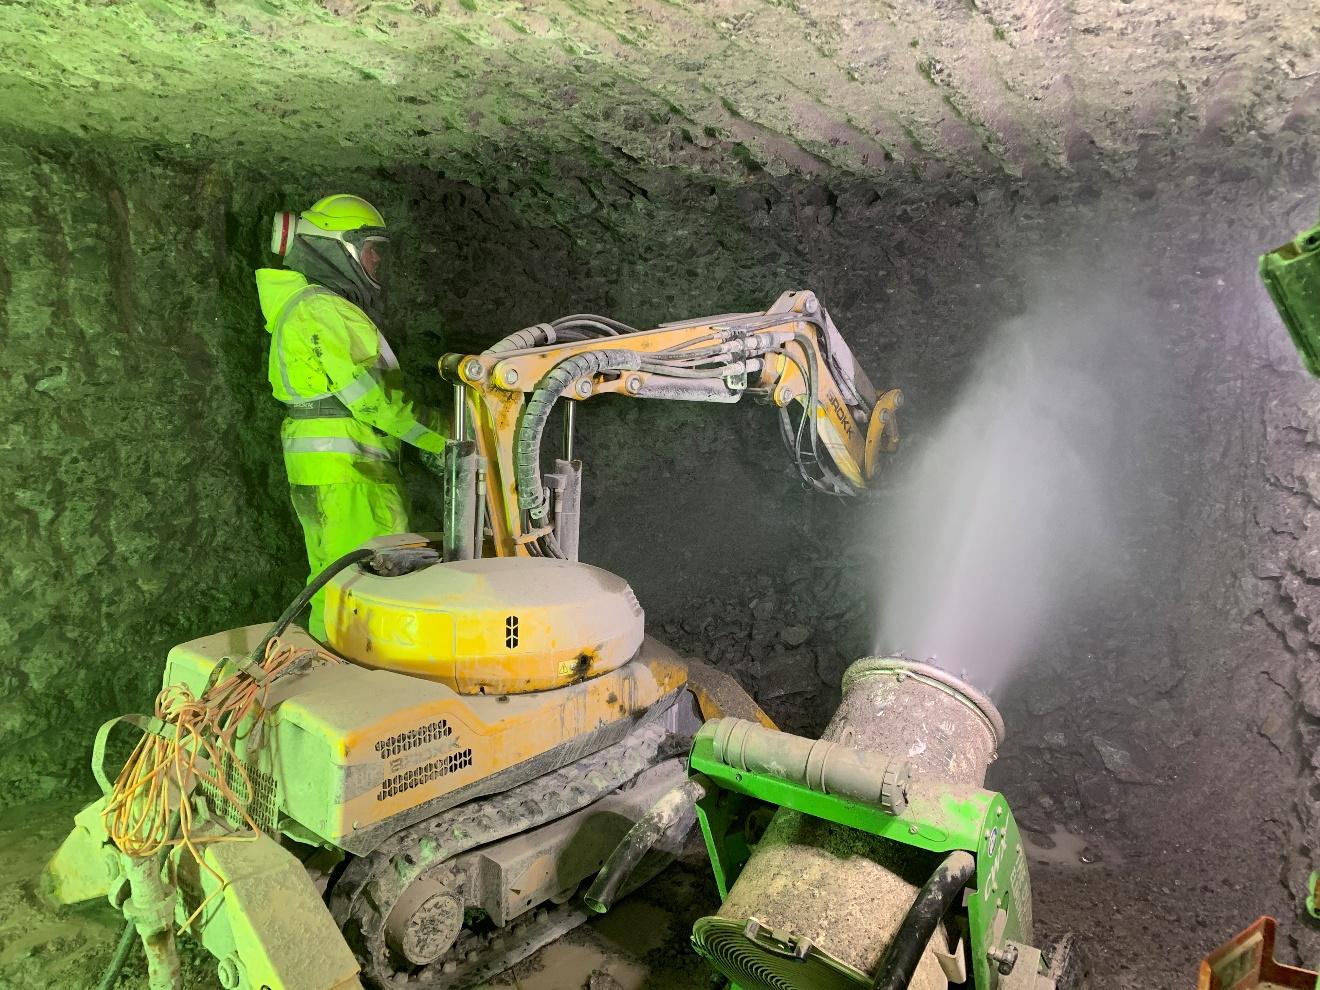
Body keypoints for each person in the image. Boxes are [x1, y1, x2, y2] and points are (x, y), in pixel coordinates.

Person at [255, 194, 447, 639]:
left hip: (331, 474)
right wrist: (446, 439)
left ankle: (329, 676)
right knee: (370, 588)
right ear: (336, 247)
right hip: (352, 477)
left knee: (334, 587)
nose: (377, 259)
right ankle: (363, 688)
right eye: (368, 248)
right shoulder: (321, 309)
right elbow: (373, 401)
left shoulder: (307, 306)